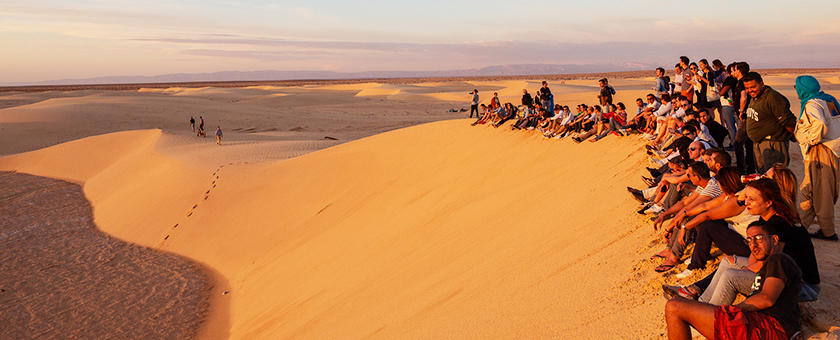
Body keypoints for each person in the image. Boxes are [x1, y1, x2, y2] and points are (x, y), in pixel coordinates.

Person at [664, 220, 803, 340]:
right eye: (749, 240)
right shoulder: (769, 264)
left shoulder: (778, 259)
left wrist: (732, 310)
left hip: (766, 328)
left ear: (774, 240)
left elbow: (767, 298)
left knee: (674, 307)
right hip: (758, 325)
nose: (753, 244)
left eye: (759, 238)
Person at [794, 75, 840, 241]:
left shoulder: (813, 103)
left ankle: (828, 232)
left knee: (822, 193)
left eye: (797, 88)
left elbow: (820, 124)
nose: (797, 92)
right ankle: (800, 227)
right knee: (810, 190)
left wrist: (812, 141)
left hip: (821, 152)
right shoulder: (829, 99)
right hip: (830, 151)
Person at [743, 72, 797, 173]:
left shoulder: (772, 98)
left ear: (762, 84)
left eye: (753, 87)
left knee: (775, 176)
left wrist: (786, 135)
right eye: (747, 88)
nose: (750, 90)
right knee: (764, 176)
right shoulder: (755, 97)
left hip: (773, 144)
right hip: (759, 143)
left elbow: (789, 121)